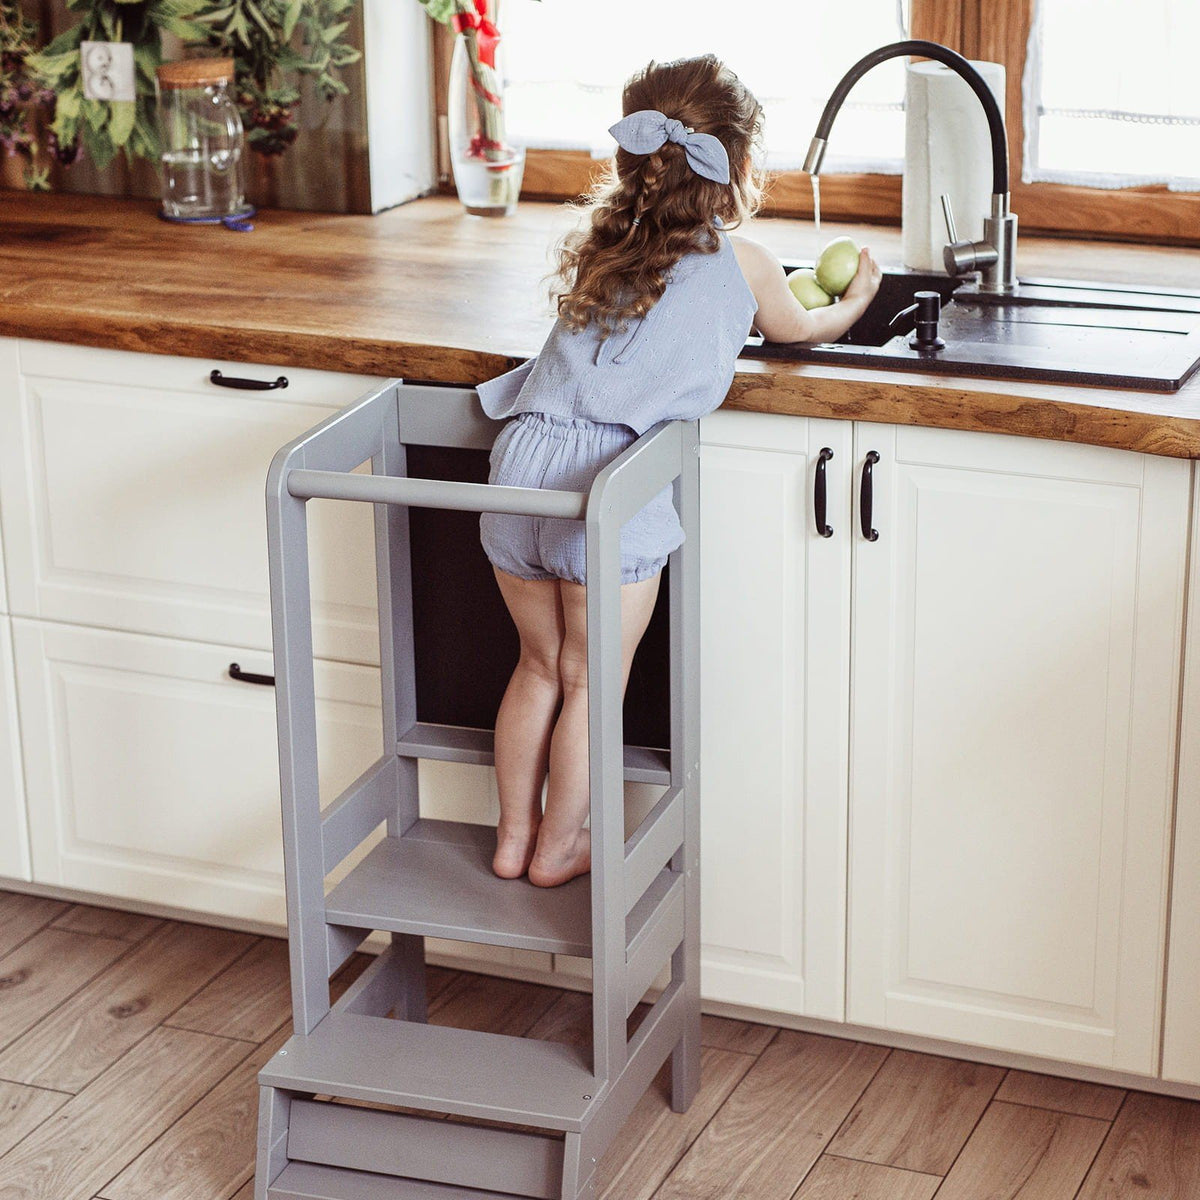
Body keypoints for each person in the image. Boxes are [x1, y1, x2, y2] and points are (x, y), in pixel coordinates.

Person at [476, 53, 881, 887]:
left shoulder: (601, 244)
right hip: (609, 487)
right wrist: (856, 300)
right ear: (736, 163)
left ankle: (514, 838)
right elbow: (798, 330)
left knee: (538, 667)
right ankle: (560, 850)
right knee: (592, 683)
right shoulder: (748, 263)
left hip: (519, 464)